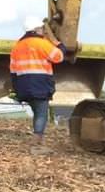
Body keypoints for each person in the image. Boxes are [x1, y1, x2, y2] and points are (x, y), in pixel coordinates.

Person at [10, 16, 66, 145]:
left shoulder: (17, 46)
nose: (43, 30)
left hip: (23, 86)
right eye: (41, 28)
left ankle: (38, 136)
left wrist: (16, 88)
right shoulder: (42, 44)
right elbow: (59, 57)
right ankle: (37, 140)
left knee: (36, 112)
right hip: (40, 84)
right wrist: (59, 44)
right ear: (36, 29)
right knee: (42, 114)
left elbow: (12, 71)